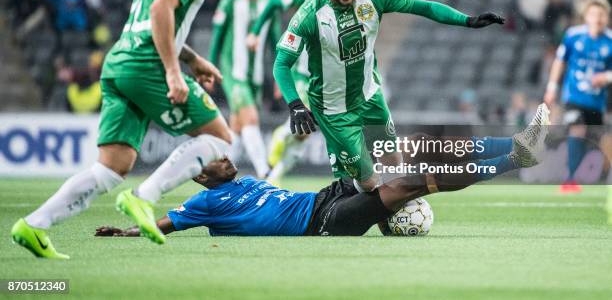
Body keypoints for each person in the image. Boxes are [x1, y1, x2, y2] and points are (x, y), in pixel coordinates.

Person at [11, 0, 232, 259]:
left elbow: (153, 16)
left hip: (120, 60)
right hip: (146, 64)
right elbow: (161, 10)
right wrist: (173, 73)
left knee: (112, 167)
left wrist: (191, 59)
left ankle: (33, 225)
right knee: (220, 138)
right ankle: (145, 197)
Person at [94, 108, 549, 237]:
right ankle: (514, 161)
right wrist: (127, 231)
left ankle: (513, 144)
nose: (224, 156)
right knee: (408, 182)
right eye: (212, 158)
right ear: (198, 175)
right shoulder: (203, 204)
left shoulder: (244, 180)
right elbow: (165, 224)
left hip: (322, 197)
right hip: (325, 224)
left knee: (403, 149)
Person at [273, 0, 505, 192]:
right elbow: (281, 64)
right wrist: (295, 104)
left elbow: (423, 6)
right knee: (369, 184)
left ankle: (395, 216)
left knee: (396, 168)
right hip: (333, 110)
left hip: (370, 96)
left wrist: (467, 21)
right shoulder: (309, 15)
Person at [208, 0, 279, 178]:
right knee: (250, 118)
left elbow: (275, 43)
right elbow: (217, 39)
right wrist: (210, 69)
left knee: (238, 126)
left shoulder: (270, 4)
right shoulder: (229, 3)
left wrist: (278, 77)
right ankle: (265, 171)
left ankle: (220, 172)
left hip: (255, 76)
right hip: (233, 73)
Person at [246, 0, 319, 185]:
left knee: (304, 134)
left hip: (321, 76)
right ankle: (282, 134)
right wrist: (255, 32)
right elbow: (274, 2)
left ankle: (274, 178)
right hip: (303, 73)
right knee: (304, 126)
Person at [544, 0, 612, 194]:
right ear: (586, 16)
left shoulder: (610, 41)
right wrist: (551, 88)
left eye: (601, 14)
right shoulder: (573, 35)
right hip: (574, 96)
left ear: (606, 17)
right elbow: (559, 62)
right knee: (577, 129)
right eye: (593, 14)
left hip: (598, 101)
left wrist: (606, 77)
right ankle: (570, 179)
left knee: (597, 138)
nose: (598, 18)